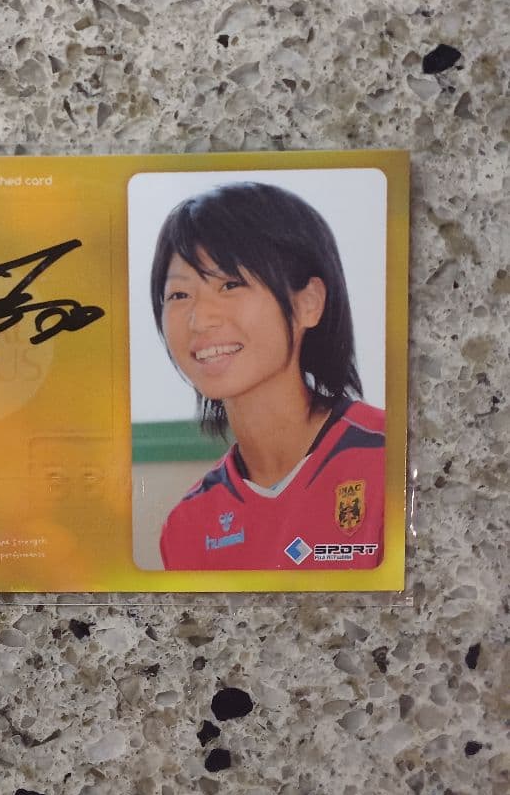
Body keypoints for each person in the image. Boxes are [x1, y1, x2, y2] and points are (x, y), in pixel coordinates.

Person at [150, 182, 384, 571]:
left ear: (309, 303)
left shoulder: (393, 461)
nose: (199, 319)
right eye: (179, 295)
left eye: (230, 284)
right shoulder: (187, 525)